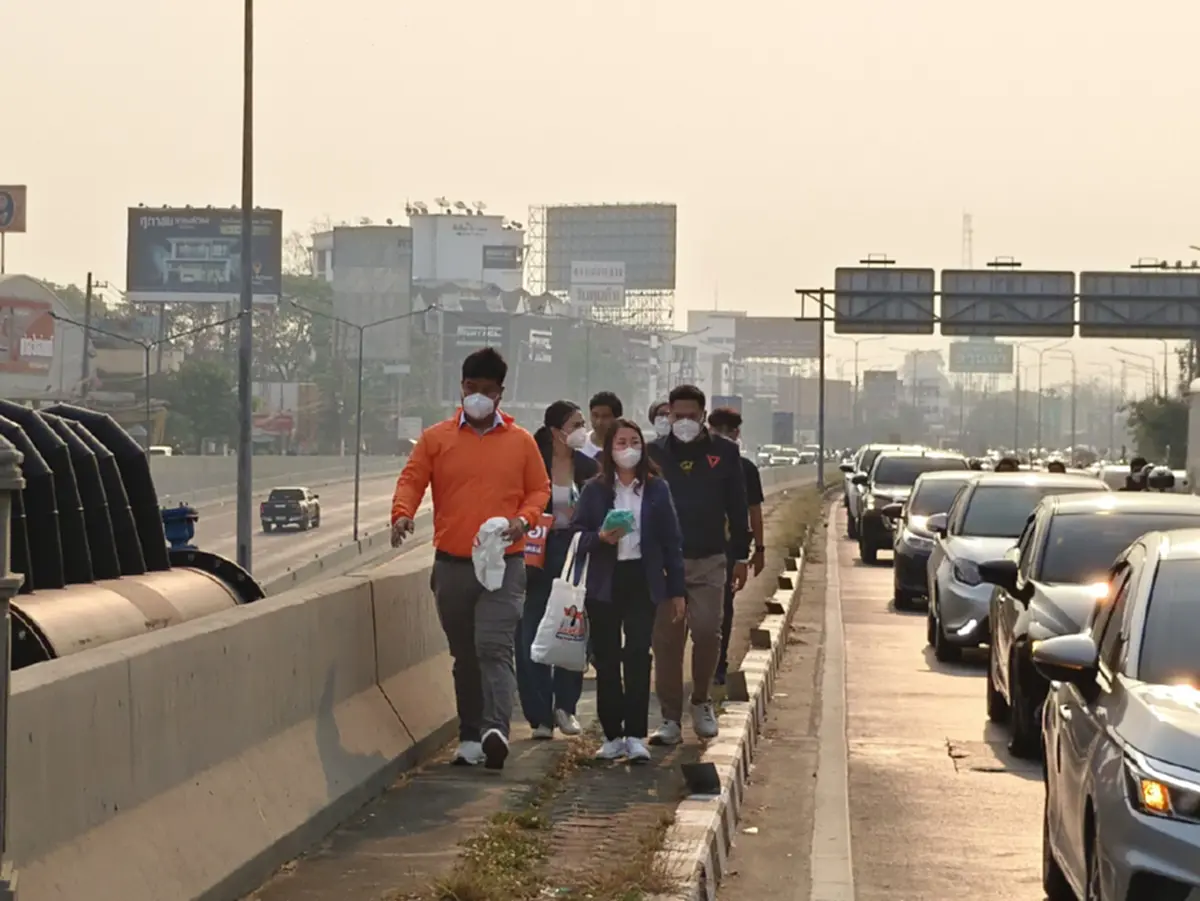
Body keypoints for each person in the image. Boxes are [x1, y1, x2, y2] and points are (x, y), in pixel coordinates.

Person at [390, 347, 551, 770]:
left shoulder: (521, 442)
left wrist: (524, 520)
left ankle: (495, 729)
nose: (478, 396)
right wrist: (402, 514)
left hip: (504, 563)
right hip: (452, 564)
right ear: (461, 388)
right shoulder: (436, 439)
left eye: (487, 390)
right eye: (471, 388)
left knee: (493, 647)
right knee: (465, 654)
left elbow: (540, 489)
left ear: (501, 394)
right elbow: (412, 479)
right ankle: (469, 734)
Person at [572, 418, 687, 762]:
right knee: (606, 659)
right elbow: (576, 535)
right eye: (620, 443)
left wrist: (677, 590)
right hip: (604, 582)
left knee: (637, 654)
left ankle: (636, 734)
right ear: (609, 449)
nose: (628, 449)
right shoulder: (594, 490)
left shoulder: (656, 489)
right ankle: (612, 735)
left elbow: (672, 541)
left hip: (642, 579)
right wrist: (601, 538)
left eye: (634, 441)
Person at [647, 384, 750, 744]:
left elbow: (738, 507)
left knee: (707, 631)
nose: (685, 422)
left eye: (692, 416)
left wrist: (742, 554)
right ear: (668, 416)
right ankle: (670, 718)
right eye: (678, 416)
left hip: (710, 559)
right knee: (667, 643)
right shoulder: (653, 453)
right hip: (665, 564)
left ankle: (702, 700)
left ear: (704, 416)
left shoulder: (723, 453)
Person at [518, 400, 599, 739]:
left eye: (583, 423)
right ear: (556, 431)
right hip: (534, 558)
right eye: (575, 423)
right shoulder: (529, 461)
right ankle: (539, 716)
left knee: (571, 631)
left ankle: (565, 706)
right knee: (529, 636)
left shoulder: (588, 467)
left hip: (575, 556)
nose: (582, 430)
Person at [706, 407, 765, 685]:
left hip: (730, 547)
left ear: (736, 434)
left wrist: (759, 550)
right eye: (714, 431)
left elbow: (754, 511)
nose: (718, 437)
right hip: (698, 543)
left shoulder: (746, 469)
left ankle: (719, 663)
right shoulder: (701, 463)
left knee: (723, 607)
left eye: (724, 432)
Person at [581, 391, 623, 459]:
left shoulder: (625, 448)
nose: (599, 422)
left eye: (605, 416)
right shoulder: (580, 447)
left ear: (617, 418)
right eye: (595, 415)